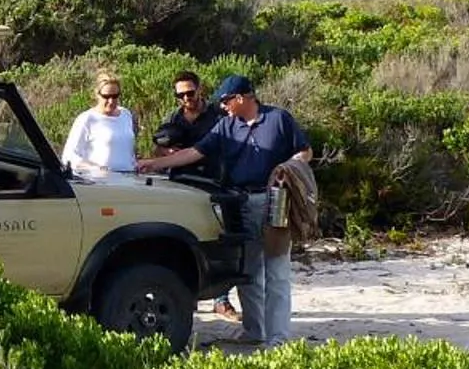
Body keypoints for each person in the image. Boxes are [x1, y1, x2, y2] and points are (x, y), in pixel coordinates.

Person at [137, 75, 312, 346]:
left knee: (276, 271)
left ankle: (278, 338)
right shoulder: (226, 126)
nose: (223, 106)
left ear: (242, 98)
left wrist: (287, 167)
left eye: (226, 101)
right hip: (240, 205)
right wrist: (154, 164)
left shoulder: (279, 119)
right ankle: (255, 331)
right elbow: (195, 152)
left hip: (274, 201)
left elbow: (305, 151)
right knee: (248, 271)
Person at [155, 70, 237, 320]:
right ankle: (187, 296)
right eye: (181, 95)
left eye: (190, 92)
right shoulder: (173, 118)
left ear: (200, 89)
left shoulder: (217, 115)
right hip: (182, 183)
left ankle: (221, 299)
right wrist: (165, 151)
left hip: (215, 180)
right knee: (186, 239)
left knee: (219, 239)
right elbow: (159, 149)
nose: (186, 99)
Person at [60, 69, 138, 181]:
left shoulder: (126, 115)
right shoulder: (87, 119)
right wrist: (95, 168)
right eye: (106, 96)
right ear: (97, 94)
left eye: (115, 96)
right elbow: (69, 157)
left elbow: (128, 152)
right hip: (99, 182)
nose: (111, 101)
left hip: (128, 180)